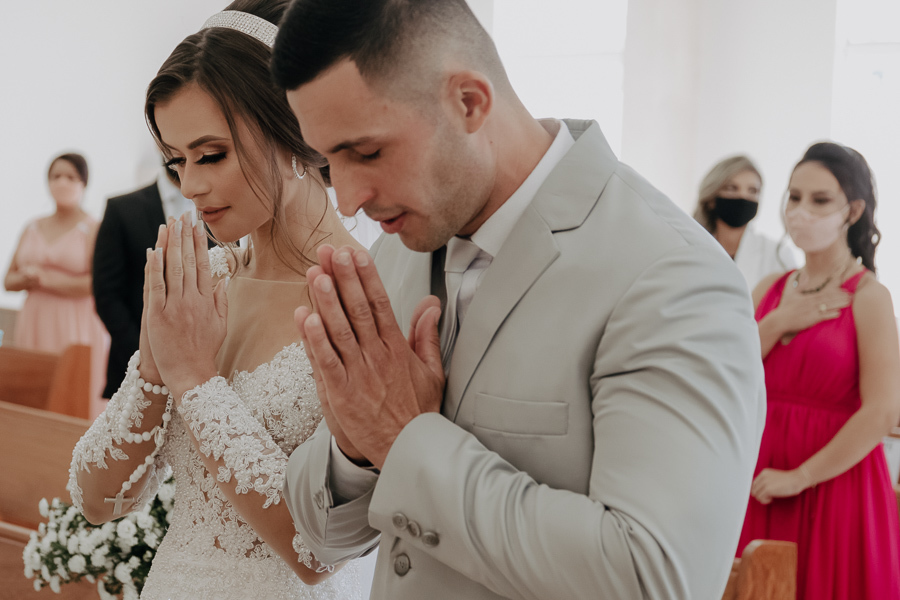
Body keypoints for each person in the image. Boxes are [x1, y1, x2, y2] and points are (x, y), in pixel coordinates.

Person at [271, 2, 765, 598]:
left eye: (368, 152)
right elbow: (321, 539)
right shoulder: (399, 253)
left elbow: (652, 578)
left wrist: (403, 441)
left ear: (469, 102)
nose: (347, 201)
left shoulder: (671, 274)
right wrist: (355, 444)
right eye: (330, 163)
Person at [67, 3, 365, 598]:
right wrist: (156, 369)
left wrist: (195, 382)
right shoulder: (204, 283)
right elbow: (97, 499)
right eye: (176, 163)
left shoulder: (359, 293)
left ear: (294, 128)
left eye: (211, 155)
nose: (190, 187)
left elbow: (316, 552)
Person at [738, 142, 900, 599]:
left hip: (832, 484)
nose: (801, 211)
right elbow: (729, 378)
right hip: (760, 474)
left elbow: (882, 411)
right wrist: (776, 323)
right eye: (794, 197)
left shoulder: (870, 298)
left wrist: (801, 477)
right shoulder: (769, 289)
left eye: (819, 200)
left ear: (853, 210)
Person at [4, 152, 110, 418]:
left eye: (71, 177)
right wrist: (26, 279)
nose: (62, 182)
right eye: (56, 176)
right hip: (35, 318)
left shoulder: (93, 228)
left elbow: (96, 283)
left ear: (83, 184)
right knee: (32, 389)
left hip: (75, 322)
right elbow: (8, 280)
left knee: (71, 393)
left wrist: (47, 280)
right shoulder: (32, 227)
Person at [92, 162, 197, 400]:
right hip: (134, 367)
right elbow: (106, 293)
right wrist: (146, 355)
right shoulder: (121, 209)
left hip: (204, 373)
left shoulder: (220, 210)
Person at [693, 155, 797, 289]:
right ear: (711, 198)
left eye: (752, 191)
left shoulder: (779, 255)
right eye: (732, 188)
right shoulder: (692, 249)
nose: (743, 197)